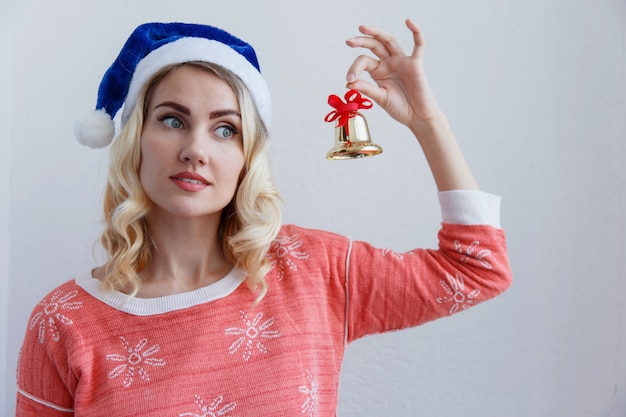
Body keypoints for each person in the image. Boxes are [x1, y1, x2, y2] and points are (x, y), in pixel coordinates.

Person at [15, 19, 512, 416]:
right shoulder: (65, 323)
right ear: (134, 140)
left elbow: (477, 269)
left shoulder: (313, 272)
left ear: (248, 158)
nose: (195, 150)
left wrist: (428, 122)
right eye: (172, 120)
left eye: (225, 130)